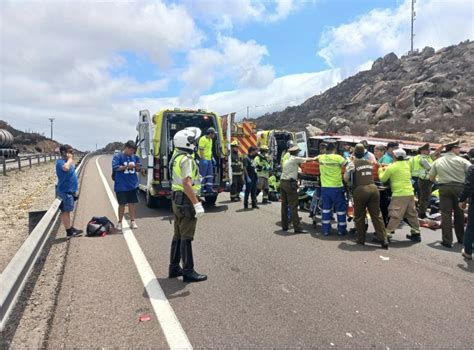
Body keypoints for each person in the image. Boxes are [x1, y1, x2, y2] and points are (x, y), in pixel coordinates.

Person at [168, 129, 207, 283]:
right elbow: (187, 183)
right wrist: (196, 204)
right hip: (186, 200)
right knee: (186, 237)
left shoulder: (176, 157)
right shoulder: (187, 159)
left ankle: (174, 267)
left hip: (176, 200)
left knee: (177, 235)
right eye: (193, 140)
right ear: (187, 142)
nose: (195, 143)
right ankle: (188, 271)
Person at [344, 144, 388, 249]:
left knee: (360, 216)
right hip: (374, 189)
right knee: (377, 215)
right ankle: (384, 239)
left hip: (360, 190)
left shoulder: (352, 163)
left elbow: (346, 178)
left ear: (354, 153)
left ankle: (361, 239)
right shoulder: (369, 163)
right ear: (364, 153)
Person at [429, 140, 471, 248]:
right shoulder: (462, 161)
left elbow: (431, 177)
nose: (459, 150)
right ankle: (461, 239)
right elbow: (471, 173)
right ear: (453, 149)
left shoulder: (438, 161)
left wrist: (439, 182)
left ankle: (447, 241)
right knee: (459, 213)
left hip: (444, 188)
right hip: (460, 188)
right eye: (458, 148)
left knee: (446, 214)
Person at [378, 148, 421, 242]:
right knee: (411, 213)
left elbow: (383, 179)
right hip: (410, 192)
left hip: (399, 193)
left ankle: (387, 233)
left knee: (395, 213)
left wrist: (380, 170)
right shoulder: (407, 165)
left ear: (395, 156)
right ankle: (416, 232)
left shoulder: (392, 166)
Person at [316, 142, 348, 236]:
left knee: (326, 209)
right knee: (340, 209)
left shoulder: (321, 157)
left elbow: (314, 159)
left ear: (326, 149)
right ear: (334, 149)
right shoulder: (338, 158)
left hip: (325, 188)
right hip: (336, 187)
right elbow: (349, 165)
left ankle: (326, 230)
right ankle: (341, 230)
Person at [280, 145, 313, 233]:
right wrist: (317, 158)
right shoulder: (295, 159)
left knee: (284, 206)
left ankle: (285, 226)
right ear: (296, 152)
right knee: (293, 206)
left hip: (283, 182)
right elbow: (308, 159)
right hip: (290, 184)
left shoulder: (287, 159)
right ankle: (297, 227)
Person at [112, 140, 141, 231]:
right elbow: (116, 167)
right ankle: (120, 222)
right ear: (126, 148)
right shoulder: (117, 156)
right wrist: (128, 166)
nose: (132, 153)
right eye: (131, 150)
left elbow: (138, 168)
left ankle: (132, 221)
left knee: (132, 204)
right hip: (121, 185)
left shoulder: (135, 157)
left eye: (133, 151)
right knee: (122, 204)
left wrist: (137, 167)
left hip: (132, 184)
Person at [56, 144, 83, 238]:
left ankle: (70, 229)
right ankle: (69, 232)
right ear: (64, 152)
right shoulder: (60, 162)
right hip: (65, 191)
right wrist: (70, 159)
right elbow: (65, 168)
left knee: (67, 211)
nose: (72, 153)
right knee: (65, 212)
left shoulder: (67, 161)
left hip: (69, 191)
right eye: (70, 152)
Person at [410, 143, 443, 218]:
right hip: (424, 180)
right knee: (425, 197)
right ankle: (421, 213)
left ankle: (418, 210)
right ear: (423, 151)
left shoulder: (426, 157)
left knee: (422, 197)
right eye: (427, 150)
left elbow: (435, 153)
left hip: (420, 179)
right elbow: (430, 169)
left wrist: (442, 146)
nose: (429, 151)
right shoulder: (423, 159)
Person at [459, 150, 474, 260]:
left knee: (471, 227)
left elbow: (468, 187)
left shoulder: (472, 168)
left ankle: (468, 252)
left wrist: (462, 200)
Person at [374, 144, 390, 226]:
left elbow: (384, 171)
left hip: (384, 186)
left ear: (382, 151)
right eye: (374, 151)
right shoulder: (379, 159)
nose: (375, 153)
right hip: (380, 185)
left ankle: (385, 225)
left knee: (383, 206)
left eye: (376, 151)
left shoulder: (385, 159)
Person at [198, 127, 216, 193]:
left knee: (210, 175)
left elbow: (209, 150)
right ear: (210, 133)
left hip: (209, 160)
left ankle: (209, 188)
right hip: (204, 160)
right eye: (213, 134)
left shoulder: (210, 140)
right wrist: (203, 159)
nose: (214, 135)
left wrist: (212, 158)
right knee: (202, 175)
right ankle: (201, 189)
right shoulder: (203, 139)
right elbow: (201, 150)